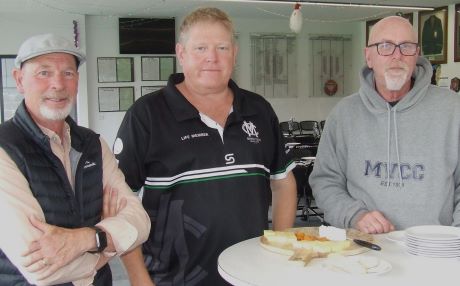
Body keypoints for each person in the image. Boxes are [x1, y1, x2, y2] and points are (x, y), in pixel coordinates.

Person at [114, 7, 297, 285]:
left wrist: (281, 248)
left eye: (222, 47)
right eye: (200, 48)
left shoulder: (258, 110)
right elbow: (119, 206)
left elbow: (283, 182)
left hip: (250, 275)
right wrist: (139, 279)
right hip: (173, 278)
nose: (212, 57)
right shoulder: (147, 115)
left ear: (234, 54)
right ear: (181, 53)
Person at [0, 33, 150, 285]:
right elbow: (41, 270)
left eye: (68, 73)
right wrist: (110, 242)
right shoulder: (5, 148)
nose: (58, 84)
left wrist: (88, 239)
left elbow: (140, 222)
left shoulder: (92, 144)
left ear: (77, 80)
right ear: (19, 80)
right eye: (44, 73)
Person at [309, 16, 460, 234]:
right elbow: (325, 182)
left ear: (416, 54)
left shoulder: (453, 110)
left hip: (434, 255)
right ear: (369, 56)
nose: (396, 55)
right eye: (385, 46)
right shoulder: (344, 115)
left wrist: (454, 242)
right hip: (363, 252)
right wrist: (355, 215)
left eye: (406, 46)